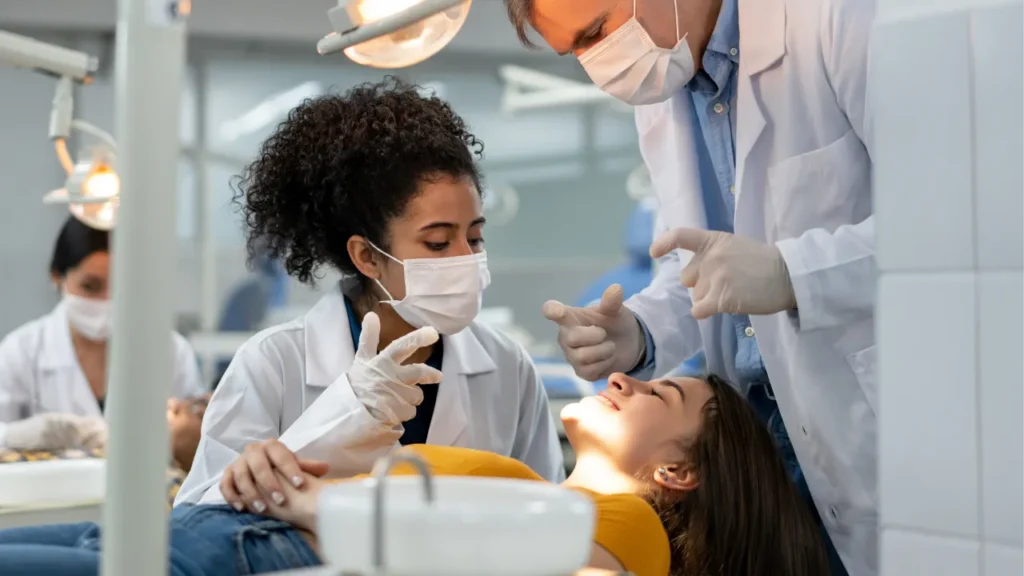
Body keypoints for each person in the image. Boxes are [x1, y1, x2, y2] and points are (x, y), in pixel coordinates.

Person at [502, 0, 876, 574]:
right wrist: (638, 332)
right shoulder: (667, 89)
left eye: (596, 32)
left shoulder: (835, 18)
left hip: (869, 428)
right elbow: (696, 267)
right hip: (749, 451)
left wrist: (793, 272)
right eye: (574, 50)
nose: (596, 63)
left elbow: (965, 223)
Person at [0, 372, 829, 576]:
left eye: (654, 391)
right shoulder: (540, 494)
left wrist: (312, 500)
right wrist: (278, 468)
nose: (620, 379)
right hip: (210, 527)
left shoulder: (626, 532)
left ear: (678, 472)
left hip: (239, 554)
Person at [175, 78, 565, 511]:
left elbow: (549, 510)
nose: (464, 259)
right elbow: (196, 527)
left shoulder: (507, 367)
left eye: (474, 239)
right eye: (437, 243)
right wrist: (335, 421)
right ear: (367, 256)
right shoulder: (274, 364)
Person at [0, 216, 203, 450]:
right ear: (58, 276)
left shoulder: (168, 351)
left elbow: (196, 447)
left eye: (121, 286)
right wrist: (13, 437)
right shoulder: (21, 351)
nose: (107, 301)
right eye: (90, 286)